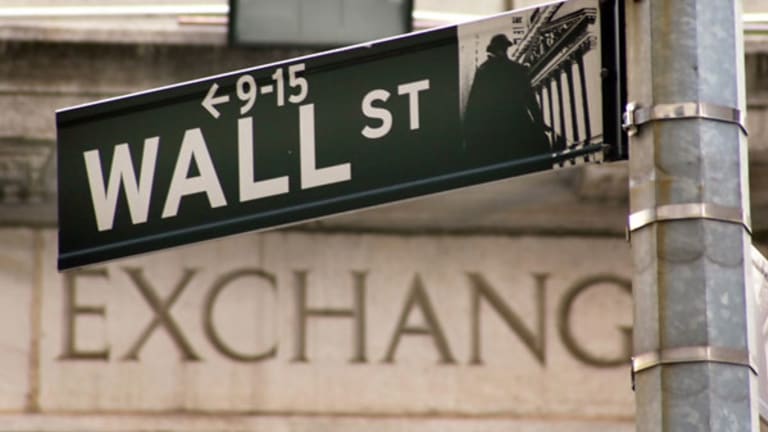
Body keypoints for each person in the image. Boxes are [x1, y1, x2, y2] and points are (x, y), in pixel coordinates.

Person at [463, 33, 551, 169]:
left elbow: (474, 104)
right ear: (505, 49)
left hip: (494, 128)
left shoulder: (483, 71)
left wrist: (469, 131)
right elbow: (531, 100)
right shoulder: (518, 69)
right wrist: (540, 124)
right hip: (518, 123)